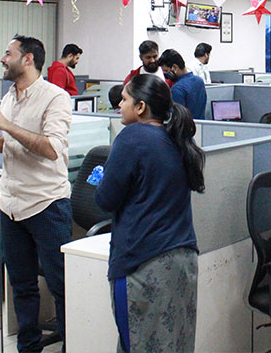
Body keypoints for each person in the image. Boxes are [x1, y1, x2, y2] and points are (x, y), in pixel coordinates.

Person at [96, 74, 205, 353]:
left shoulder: (132, 137)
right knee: (176, 345)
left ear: (141, 107)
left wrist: (102, 178)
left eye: (124, 100)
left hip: (143, 264)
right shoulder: (175, 137)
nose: (119, 105)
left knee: (136, 344)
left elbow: (106, 199)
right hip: (182, 261)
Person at [0, 35, 72, 352]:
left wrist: (5, 125)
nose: (2, 59)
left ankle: (71, 344)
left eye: (8, 53)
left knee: (61, 285)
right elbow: (15, 143)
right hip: (10, 204)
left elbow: (51, 148)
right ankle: (28, 347)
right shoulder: (9, 97)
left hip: (46, 203)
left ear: (28, 59)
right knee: (21, 285)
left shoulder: (55, 98)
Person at [159, 49, 208, 120]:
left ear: (175, 67)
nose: (166, 74)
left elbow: (177, 118)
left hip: (186, 126)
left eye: (166, 70)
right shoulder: (199, 81)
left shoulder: (177, 89)